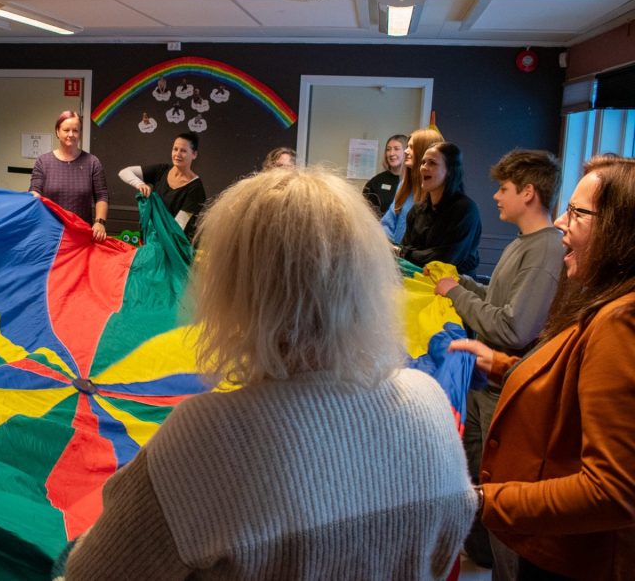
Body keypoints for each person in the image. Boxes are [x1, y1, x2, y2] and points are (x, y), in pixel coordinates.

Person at [62, 168, 475, 580]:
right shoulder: (430, 402)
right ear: (369, 278)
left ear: (233, 290)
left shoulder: (209, 434)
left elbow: (90, 573)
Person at [450, 155, 635, 579]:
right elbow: (571, 384)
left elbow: (613, 490)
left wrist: (484, 500)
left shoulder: (621, 320)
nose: (561, 224)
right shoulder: (603, 303)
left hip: (566, 558)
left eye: (578, 213)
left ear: (619, 229)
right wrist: (501, 366)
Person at [434, 149, 565, 576]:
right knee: (474, 481)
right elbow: (499, 300)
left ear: (528, 193)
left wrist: (456, 294)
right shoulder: (523, 244)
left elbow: (514, 329)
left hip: (504, 394)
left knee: (502, 494)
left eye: (504, 189)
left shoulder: (546, 251)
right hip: (483, 389)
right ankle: (482, 557)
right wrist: (462, 282)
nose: (495, 197)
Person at [396, 142, 482, 276]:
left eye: (432, 163)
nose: (424, 167)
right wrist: (407, 253)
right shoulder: (417, 210)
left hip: (454, 290)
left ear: (449, 171)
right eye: (423, 162)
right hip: (417, 283)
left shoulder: (466, 210)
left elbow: (443, 261)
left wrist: (406, 253)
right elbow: (404, 254)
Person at [29, 110, 109, 241]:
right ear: (57, 132)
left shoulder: (92, 162)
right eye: (66, 130)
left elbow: (102, 195)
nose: (71, 134)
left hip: (81, 234)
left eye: (75, 130)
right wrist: (32, 196)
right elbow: (35, 190)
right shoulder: (43, 162)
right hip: (50, 234)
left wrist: (100, 222)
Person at [119, 132, 206, 243]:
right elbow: (124, 172)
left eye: (183, 151)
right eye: (175, 149)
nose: (177, 154)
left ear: (194, 154)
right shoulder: (161, 170)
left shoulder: (196, 188)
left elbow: (178, 226)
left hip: (175, 247)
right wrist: (140, 184)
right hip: (151, 240)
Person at [381, 128, 444, 243]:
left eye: (411, 147)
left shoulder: (438, 193)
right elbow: (388, 223)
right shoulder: (404, 186)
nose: (405, 151)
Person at [363, 133, 407, 215]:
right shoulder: (376, 182)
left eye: (396, 149)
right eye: (388, 149)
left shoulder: (415, 181)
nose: (391, 153)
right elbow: (365, 214)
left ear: (407, 152)